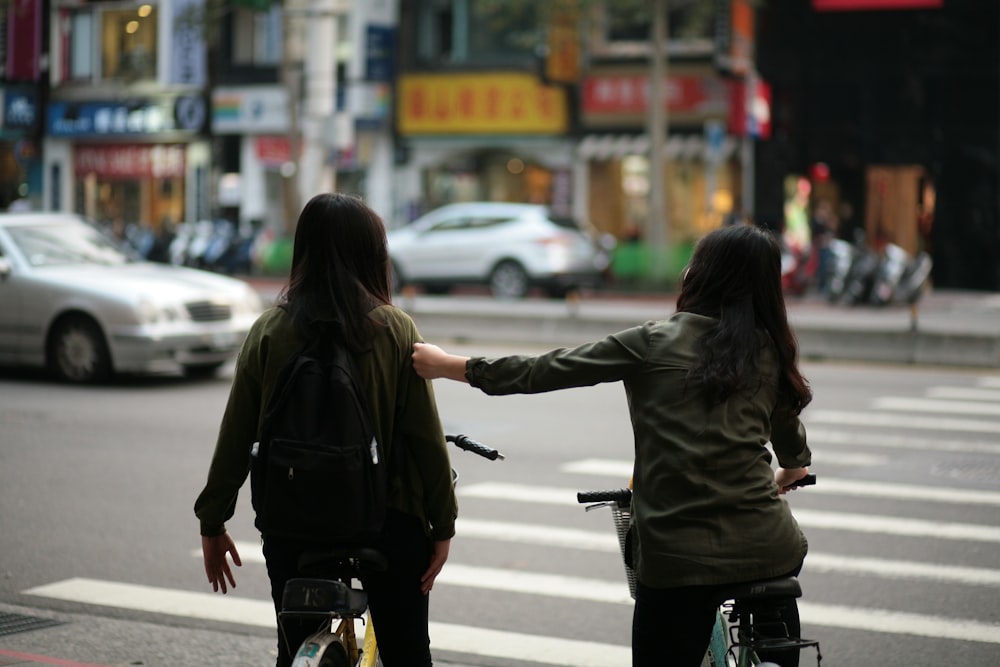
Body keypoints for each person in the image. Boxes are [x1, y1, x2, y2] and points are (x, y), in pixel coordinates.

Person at [412, 223, 813, 667]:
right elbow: (791, 443)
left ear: (698, 275)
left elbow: (546, 370)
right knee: (776, 619)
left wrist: (450, 365)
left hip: (676, 560)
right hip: (771, 547)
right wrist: (791, 471)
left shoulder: (652, 342)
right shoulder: (768, 351)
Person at [194, 192, 457, 667]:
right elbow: (426, 442)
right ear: (371, 256)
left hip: (291, 523)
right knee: (408, 653)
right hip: (387, 524)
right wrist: (443, 525)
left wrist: (212, 522)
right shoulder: (396, 330)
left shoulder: (269, 330)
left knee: (292, 649)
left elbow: (235, 437)